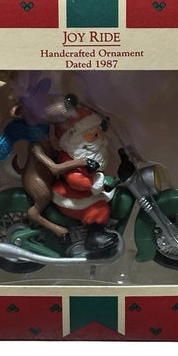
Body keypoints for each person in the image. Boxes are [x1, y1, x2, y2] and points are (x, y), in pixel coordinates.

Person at [52, 107, 118, 252]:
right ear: (74, 138)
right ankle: (94, 239)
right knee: (99, 209)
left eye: (100, 132)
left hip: (87, 193)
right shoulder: (69, 157)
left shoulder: (89, 153)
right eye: (94, 134)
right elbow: (74, 180)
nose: (101, 138)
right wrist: (94, 184)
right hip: (72, 197)